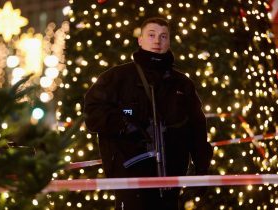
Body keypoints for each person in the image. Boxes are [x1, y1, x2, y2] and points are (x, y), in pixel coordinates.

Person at [84, 17, 213, 210]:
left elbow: (196, 126)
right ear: (140, 40)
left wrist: (202, 169)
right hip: (129, 178)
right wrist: (124, 125)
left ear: (169, 41)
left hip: (170, 178)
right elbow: (92, 113)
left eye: (163, 36)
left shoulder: (181, 83)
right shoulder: (117, 78)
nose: (157, 41)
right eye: (151, 35)